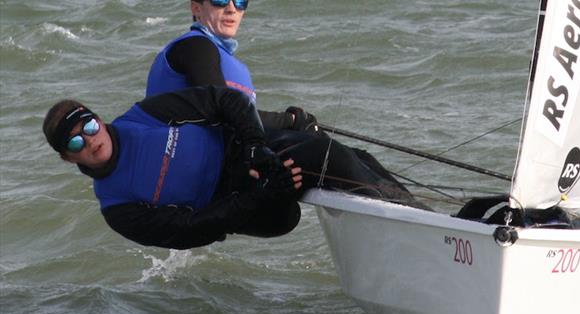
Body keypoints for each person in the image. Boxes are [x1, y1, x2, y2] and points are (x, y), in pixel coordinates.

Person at [43, 85, 422, 251]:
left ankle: (426, 225)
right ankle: (417, 233)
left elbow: (226, 100)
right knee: (321, 160)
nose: (91, 140)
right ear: (68, 158)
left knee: (341, 156)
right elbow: (194, 231)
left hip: (250, 155)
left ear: (99, 119)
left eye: (89, 126)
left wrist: (256, 146)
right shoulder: (117, 208)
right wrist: (253, 197)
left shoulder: (147, 116)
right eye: (76, 141)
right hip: (242, 206)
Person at [146, 0, 317, 133]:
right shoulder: (195, 47)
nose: (231, 9)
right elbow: (224, 109)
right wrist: (290, 120)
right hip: (176, 154)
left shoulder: (235, 64)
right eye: (220, 0)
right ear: (196, 8)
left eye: (240, 2)